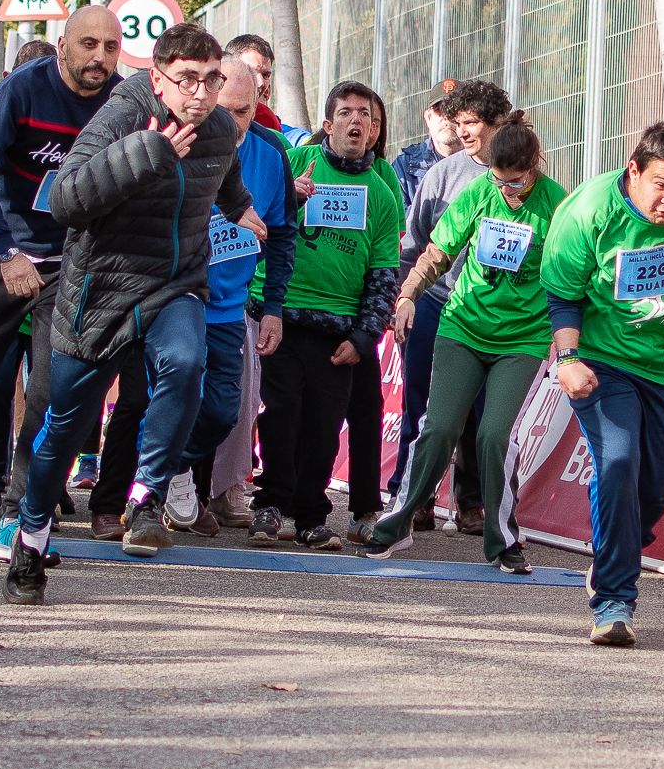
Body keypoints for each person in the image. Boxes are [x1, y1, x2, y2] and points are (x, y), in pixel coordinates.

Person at [2, 25, 261, 595]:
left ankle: (145, 495)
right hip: (101, 291)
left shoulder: (218, 129)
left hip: (174, 285)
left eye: (212, 79)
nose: (201, 93)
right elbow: (67, 200)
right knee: (65, 427)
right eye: (187, 79)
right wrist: (149, 151)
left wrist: (242, 208)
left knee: (188, 362)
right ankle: (31, 534)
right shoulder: (121, 116)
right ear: (157, 79)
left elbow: (224, 177)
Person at [0, 6, 124, 559]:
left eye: (110, 48)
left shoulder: (123, 104)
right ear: (62, 46)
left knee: (48, 393)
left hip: (73, 260)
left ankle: (17, 514)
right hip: (8, 249)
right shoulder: (23, 91)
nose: (99, 58)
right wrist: (6, 250)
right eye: (88, 45)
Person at [541, 122, 664, 646]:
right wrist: (568, 357)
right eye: (661, 185)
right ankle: (613, 601)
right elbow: (561, 294)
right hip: (604, 362)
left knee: (651, 489)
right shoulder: (588, 210)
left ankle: (618, 541)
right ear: (634, 171)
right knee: (618, 463)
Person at [363, 114, 565, 572]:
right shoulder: (478, 193)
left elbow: (574, 272)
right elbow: (438, 251)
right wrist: (409, 293)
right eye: (499, 181)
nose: (507, 191)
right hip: (464, 327)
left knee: (494, 435)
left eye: (516, 183)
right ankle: (396, 524)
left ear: (534, 167)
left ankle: (503, 540)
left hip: (522, 338)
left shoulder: (556, 205)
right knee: (438, 427)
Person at [256, 81, 403, 551]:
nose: (355, 121)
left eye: (364, 114)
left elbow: (384, 273)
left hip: (337, 330)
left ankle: (311, 517)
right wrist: (288, 199)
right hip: (280, 315)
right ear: (327, 124)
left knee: (323, 427)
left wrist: (364, 337)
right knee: (280, 416)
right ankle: (269, 505)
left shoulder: (380, 192)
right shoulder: (296, 164)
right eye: (345, 113)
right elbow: (252, 219)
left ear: (374, 129)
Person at [185, 52, 296, 534]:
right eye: (225, 110)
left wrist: (273, 308)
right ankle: (159, 486)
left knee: (224, 412)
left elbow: (284, 233)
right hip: (178, 302)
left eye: (244, 111)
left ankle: (187, 477)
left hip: (232, 310)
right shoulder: (180, 144)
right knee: (169, 399)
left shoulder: (270, 155)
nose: (235, 123)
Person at [397, 77, 511, 532]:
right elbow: (415, 241)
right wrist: (405, 295)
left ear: (498, 123)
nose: (463, 132)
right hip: (436, 304)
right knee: (422, 407)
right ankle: (412, 496)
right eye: (457, 122)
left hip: (493, 314)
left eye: (473, 122)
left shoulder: (523, 176)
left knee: (482, 414)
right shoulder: (442, 174)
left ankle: (474, 502)